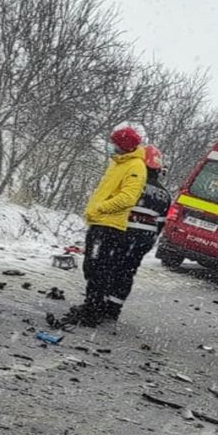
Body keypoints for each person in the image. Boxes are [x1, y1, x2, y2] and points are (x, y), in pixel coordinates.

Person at [77, 124, 147, 326]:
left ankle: (92, 310)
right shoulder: (118, 163)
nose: (111, 146)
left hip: (109, 226)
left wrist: (100, 208)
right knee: (92, 267)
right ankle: (92, 305)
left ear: (124, 145)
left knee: (98, 269)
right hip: (99, 222)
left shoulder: (135, 166)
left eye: (114, 143)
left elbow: (127, 198)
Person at [109, 144, 171, 320]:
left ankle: (100, 303)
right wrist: (149, 240)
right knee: (127, 271)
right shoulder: (164, 194)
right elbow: (161, 222)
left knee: (110, 266)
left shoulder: (132, 183)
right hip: (144, 239)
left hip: (123, 231)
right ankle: (114, 307)